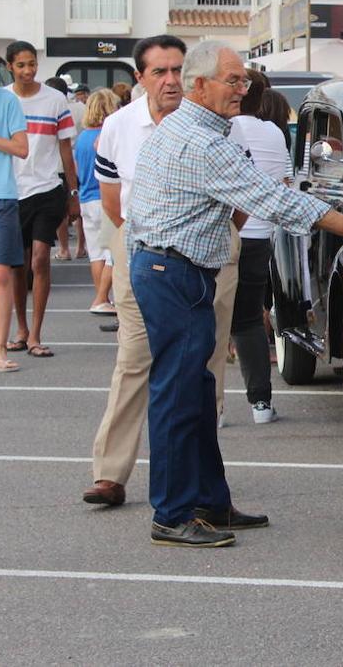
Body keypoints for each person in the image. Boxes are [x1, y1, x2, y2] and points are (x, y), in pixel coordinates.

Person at [125, 41, 343, 547]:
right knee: (179, 397)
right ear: (200, 86)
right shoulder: (202, 142)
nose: (244, 90)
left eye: (245, 81)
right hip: (173, 273)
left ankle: (208, 503)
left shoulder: (196, 130)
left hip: (171, 269)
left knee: (194, 394)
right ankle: (172, 514)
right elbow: (276, 200)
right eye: (233, 81)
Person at [82, 35, 239, 508]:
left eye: (177, 70)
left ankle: (196, 481)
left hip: (209, 252)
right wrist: (150, 241)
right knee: (134, 358)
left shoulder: (225, 120)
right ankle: (111, 473)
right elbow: (111, 198)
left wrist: (212, 236)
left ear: (192, 76)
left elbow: (245, 194)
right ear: (141, 78)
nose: (170, 80)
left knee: (205, 364)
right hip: (142, 249)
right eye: (159, 72)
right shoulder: (119, 126)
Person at [226, 70, 290, 425]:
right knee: (248, 319)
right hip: (260, 232)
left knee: (213, 320)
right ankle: (261, 404)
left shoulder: (222, 128)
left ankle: (214, 406)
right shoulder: (273, 132)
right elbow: (283, 183)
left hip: (224, 233)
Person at [7, 41, 78, 359]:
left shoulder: (55, 99)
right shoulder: (3, 100)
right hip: (11, 191)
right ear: (9, 67)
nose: (28, 70)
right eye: (21, 65)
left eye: (32, 63)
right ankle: (20, 329)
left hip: (48, 188)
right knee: (17, 265)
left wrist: (73, 193)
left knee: (39, 259)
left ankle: (35, 335)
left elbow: (66, 150)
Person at [0, 79, 28, 372]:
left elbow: (21, 148)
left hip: (2, 196)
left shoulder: (6, 101)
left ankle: (0, 349)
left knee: (1, 274)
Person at [75, 88, 121, 315]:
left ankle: (101, 297)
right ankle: (103, 297)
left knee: (96, 253)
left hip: (85, 198)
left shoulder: (82, 137)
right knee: (114, 253)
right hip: (104, 198)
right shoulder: (108, 135)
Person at [46, 77, 88, 260]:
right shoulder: (80, 108)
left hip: (55, 164)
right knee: (79, 208)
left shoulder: (50, 107)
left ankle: (64, 249)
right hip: (78, 162)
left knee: (60, 210)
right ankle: (81, 247)